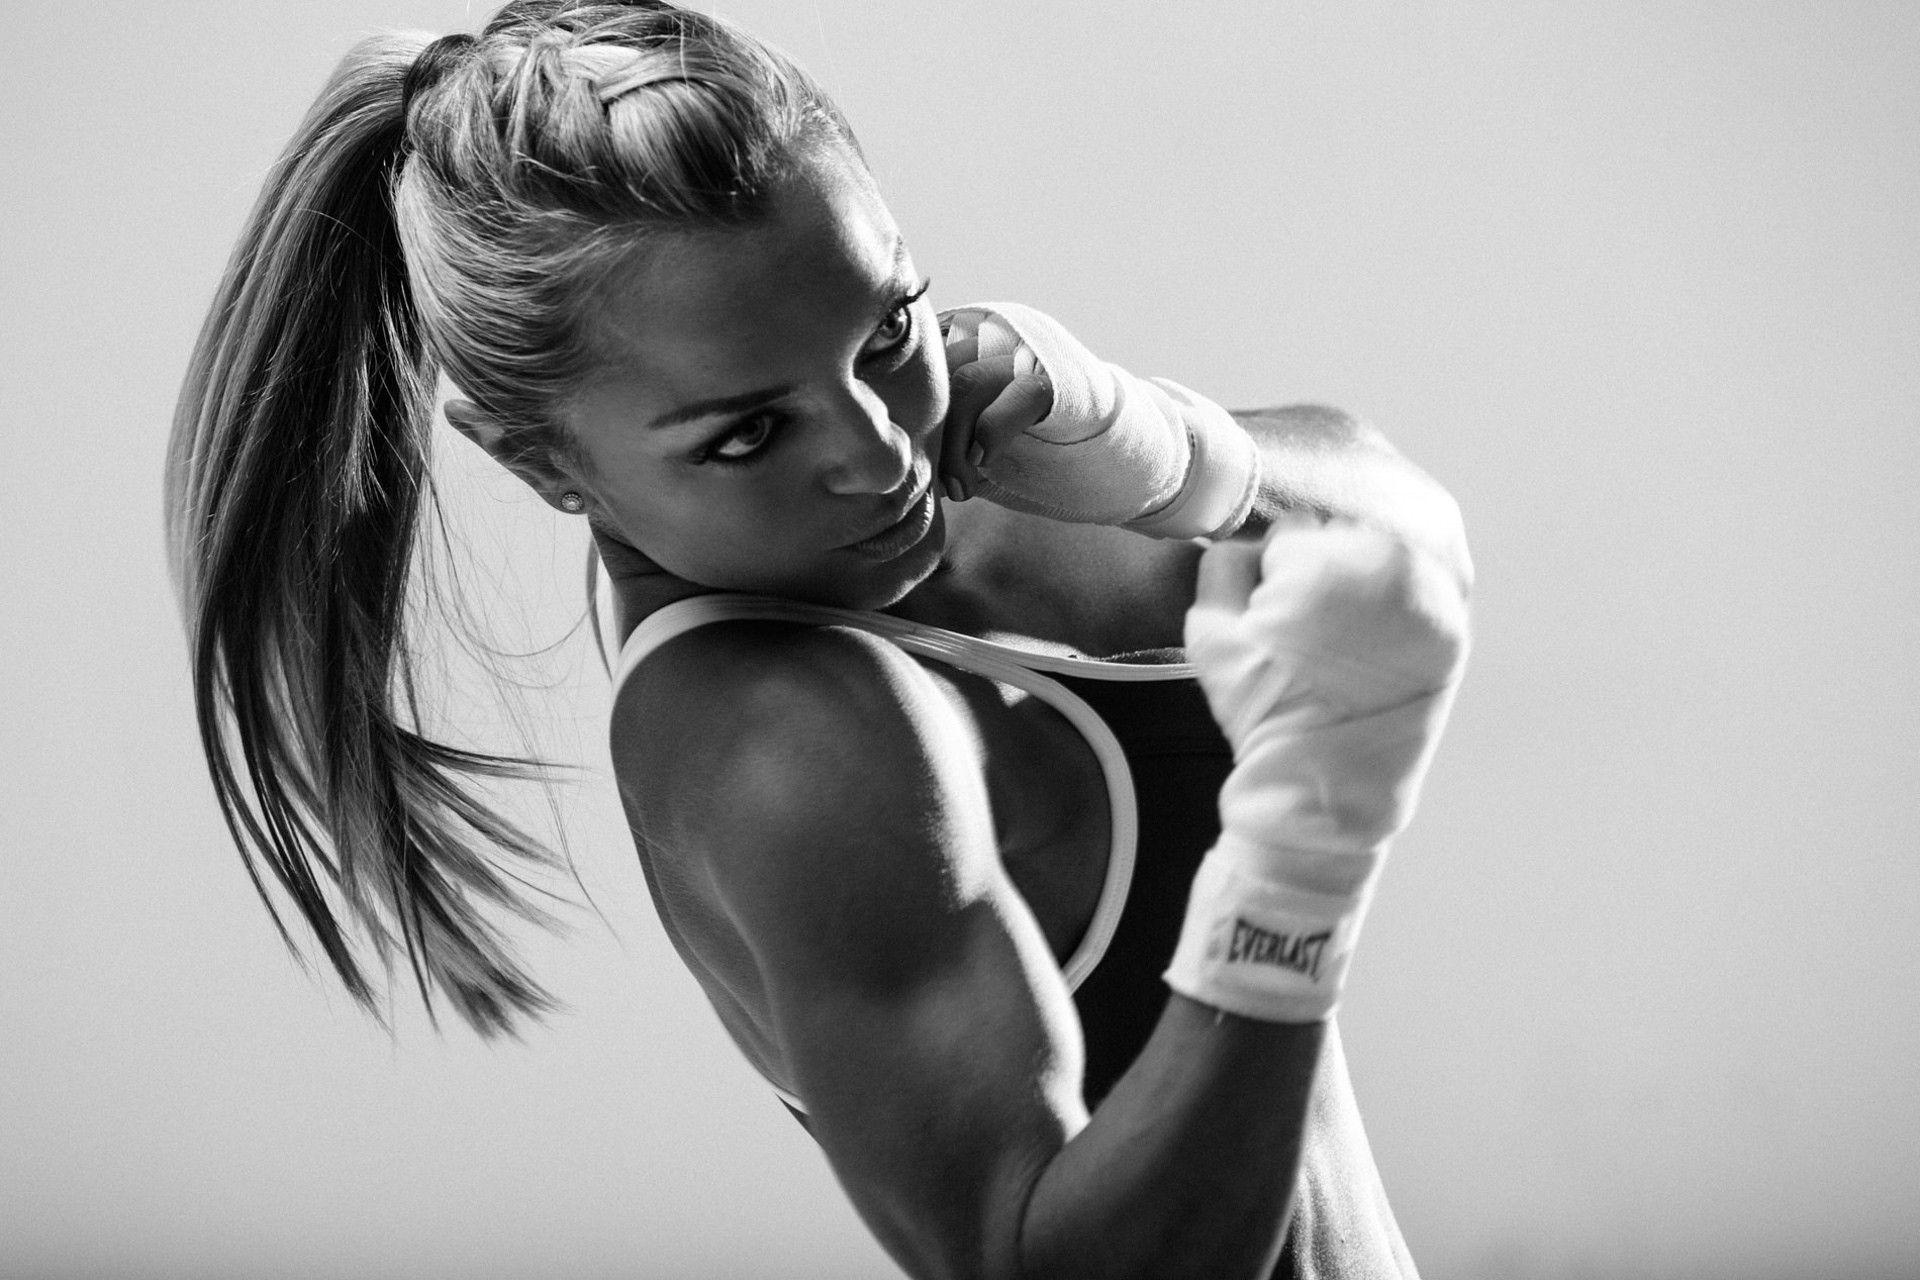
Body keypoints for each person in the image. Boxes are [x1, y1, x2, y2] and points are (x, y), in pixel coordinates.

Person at [165, 3, 1472, 1276]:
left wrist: (1178, 446)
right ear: (538, 460)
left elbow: (1401, 530)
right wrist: (1303, 862)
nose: (882, 451)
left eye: (886, 326)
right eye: (747, 433)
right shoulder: (777, 743)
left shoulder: (976, 443)